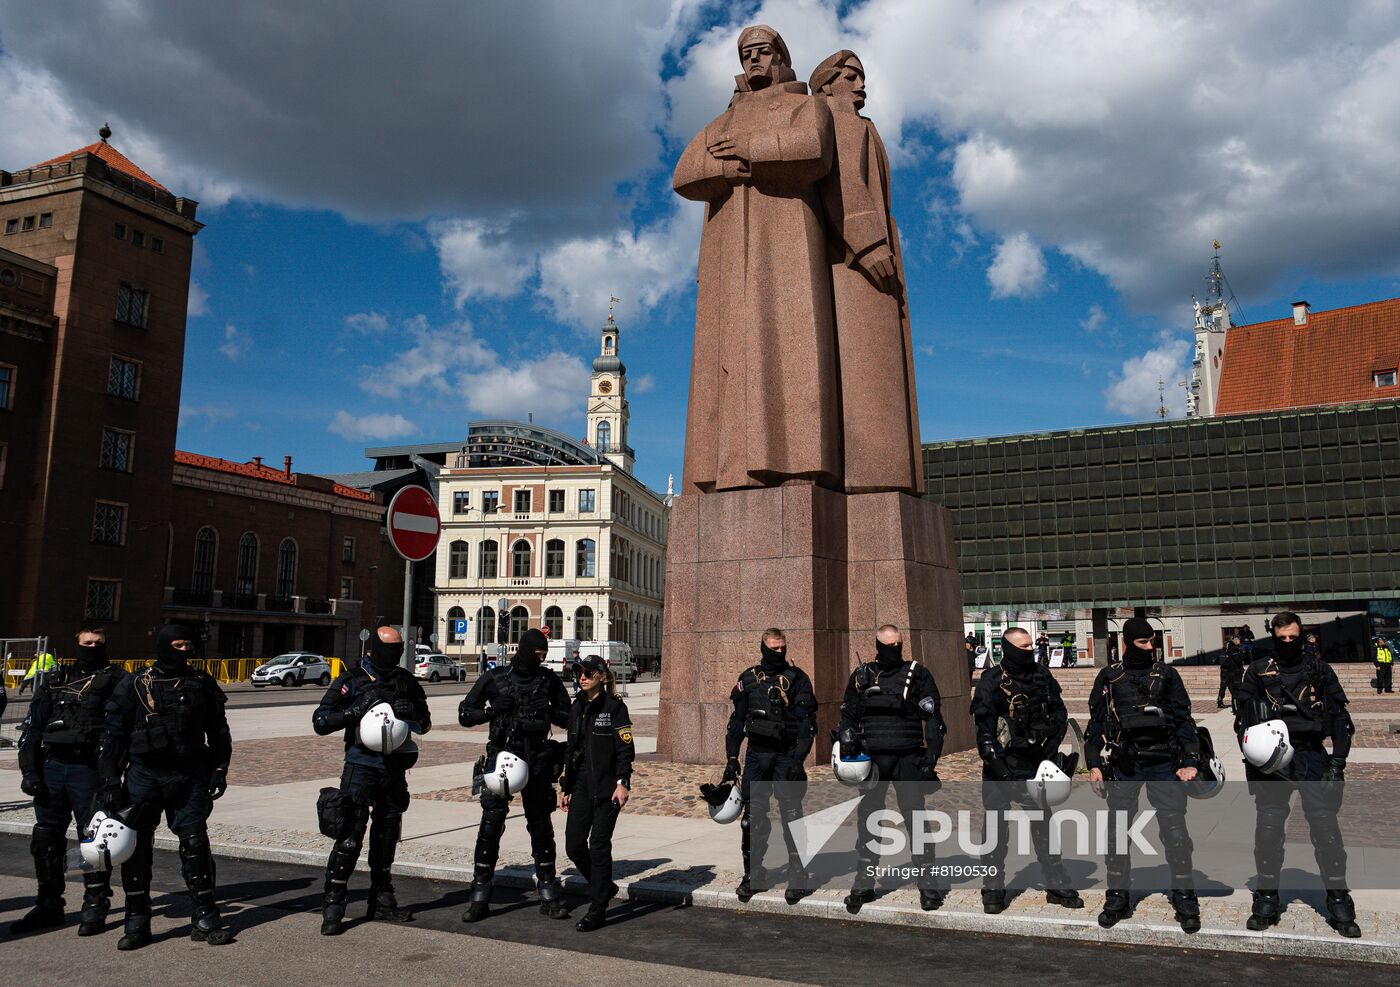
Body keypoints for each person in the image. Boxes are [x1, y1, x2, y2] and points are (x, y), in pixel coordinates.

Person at [672, 24, 841, 493]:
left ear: (781, 56)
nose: (753, 60)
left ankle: (799, 460)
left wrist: (751, 152)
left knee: (792, 343)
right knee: (729, 355)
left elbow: (814, 150)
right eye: (746, 53)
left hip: (787, 243)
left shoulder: (805, 106)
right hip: (730, 254)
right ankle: (730, 468)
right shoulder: (723, 120)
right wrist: (726, 167)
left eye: (763, 51)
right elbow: (685, 173)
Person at [808, 49, 922, 494]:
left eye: (862, 77)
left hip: (862, 254)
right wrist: (870, 243)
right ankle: (877, 477)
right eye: (851, 77)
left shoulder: (861, 124)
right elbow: (843, 185)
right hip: (856, 263)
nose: (861, 86)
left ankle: (882, 475)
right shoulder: (839, 120)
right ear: (828, 84)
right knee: (870, 372)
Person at [99, 623, 232, 949]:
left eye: (188, 645)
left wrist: (219, 767)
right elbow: (113, 735)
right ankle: (137, 919)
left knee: (195, 843)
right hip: (144, 775)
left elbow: (218, 730)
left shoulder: (201, 682)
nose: (185, 650)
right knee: (136, 847)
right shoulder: (134, 683)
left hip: (190, 775)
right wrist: (110, 780)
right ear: (163, 645)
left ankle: (204, 914)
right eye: (178, 644)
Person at [1236, 611, 1359, 937]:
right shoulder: (1259, 671)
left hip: (1311, 757)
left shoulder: (1318, 669)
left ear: (1302, 635)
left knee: (1327, 832)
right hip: (1273, 763)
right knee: (1268, 831)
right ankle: (1266, 898)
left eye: (1294, 637)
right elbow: (1243, 721)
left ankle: (1338, 899)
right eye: (1282, 638)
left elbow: (1340, 720)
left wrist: (1337, 764)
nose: (1288, 643)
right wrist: (1254, 757)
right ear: (1273, 636)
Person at [1085, 617, 1202, 933]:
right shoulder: (1110, 677)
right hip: (1125, 765)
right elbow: (1095, 725)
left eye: (1153, 642)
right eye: (1143, 642)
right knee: (1117, 834)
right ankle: (1118, 898)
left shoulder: (1167, 675)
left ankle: (1185, 897)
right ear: (1127, 643)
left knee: (1175, 834)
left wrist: (1191, 760)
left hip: (1164, 762)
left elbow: (1184, 721)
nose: (1150, 647)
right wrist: (1094, 764)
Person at [312, 626, 431, 935]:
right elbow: (321, 721)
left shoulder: (405, 681)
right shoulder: (352, 679)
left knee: (386, 835)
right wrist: (353, 712)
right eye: (389, 648)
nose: (394, 654)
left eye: (399, 648)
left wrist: (412, 712)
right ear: (375, 648)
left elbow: (425, 723)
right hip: (361, 766)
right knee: (350, 837)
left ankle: (381, 899)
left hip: (394, 768)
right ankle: (334, 905)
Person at [13, 624, 128, 935]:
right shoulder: (56, 679)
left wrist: (111, 777)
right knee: (46, 838)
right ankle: (48, 904)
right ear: (76, 642)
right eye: (86, 642)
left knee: (93, 840)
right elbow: (33, 729)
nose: (91, 647)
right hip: (52, 768)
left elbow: (120, 732)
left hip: (89, 769)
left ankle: (95, 903)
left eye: (98, 643)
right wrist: (29, 770)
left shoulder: (118, 679)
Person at [459, 627, 571, 922]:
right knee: (491, 824)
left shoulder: (548, 680)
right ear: (523, 650)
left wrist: (549, 713)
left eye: (544, 654)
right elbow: (465, 713)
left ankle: (548, 887)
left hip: (537, 757)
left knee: (540, 825)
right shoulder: (495, 678)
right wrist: (491, 710)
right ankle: (480, 892)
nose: (541, 658)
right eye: (537, 653)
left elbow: (569, 716)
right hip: (502, 756)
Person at [972, 628, 1083, 914]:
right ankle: (993, 886)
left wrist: (1050, 747)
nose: (1029, 649)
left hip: (1037, 765)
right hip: (1002, 766)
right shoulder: (991, 681)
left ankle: (1056, 882)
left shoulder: (1043, 676)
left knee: (1044, 824)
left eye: (1031, 644)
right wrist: (1001, 771)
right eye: (1023, 645)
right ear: (1007, 648)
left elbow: (1060, 714)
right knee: (995, 828)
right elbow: (984, 735)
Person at [839, 624, 945, 914]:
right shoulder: (862, 676)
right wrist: (846, 738)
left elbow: (934, 718)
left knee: (916, 818)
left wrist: (931, 758)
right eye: (890, 645)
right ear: (878, 645)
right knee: (869, 819)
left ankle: (928, 885)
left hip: (908, 757)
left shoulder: (917, 673)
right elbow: (848, 712)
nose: (895, 649)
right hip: (872, 759)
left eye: (899, 644)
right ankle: (864, 884)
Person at [722, 628, 817, 904]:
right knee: (753, 819)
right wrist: (731, 758)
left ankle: (798, 876)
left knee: (791, 816)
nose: (779, 652)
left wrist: (799, 760)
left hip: (786, 754)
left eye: (782, 648)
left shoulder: (798, 679)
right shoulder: (748, 679)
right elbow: (736, 722)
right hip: (756, 755)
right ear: (763, 648)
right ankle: (754, 874)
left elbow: (808, 724)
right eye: (774, 648)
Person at [560, 655, 635, 932]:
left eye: (589, 673)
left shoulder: (615, 708)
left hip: (607, 789)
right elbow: (571, 751)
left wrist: (622, 782)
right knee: (573, 845)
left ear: (602, 677)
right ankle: (604, 887)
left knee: (599, 847)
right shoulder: (576, 707)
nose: (582, 677)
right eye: (579, 672)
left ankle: (597, 908)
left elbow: (625, 749)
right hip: (581, 787)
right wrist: (565, 788)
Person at [1218, 635, 1245, 710]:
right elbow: (1238, 659)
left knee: (1226, 688)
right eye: (1239, 640)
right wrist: (1242, 653)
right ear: (1236, 641)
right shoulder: (1234, 649)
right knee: (1235, 691)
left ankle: (1220, 701)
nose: (1240, 641)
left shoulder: (1226, 650)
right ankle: (1236, 707)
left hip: (1227, 672)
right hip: (1232, 672)